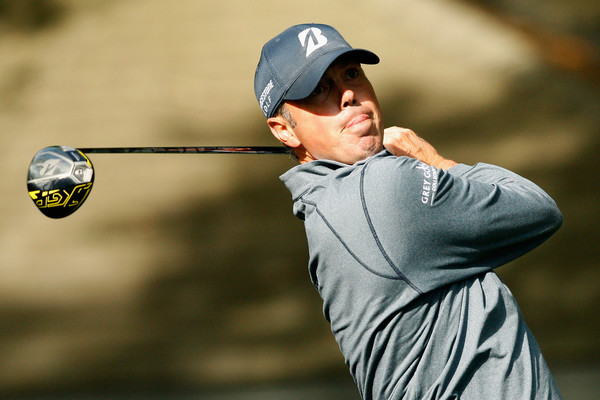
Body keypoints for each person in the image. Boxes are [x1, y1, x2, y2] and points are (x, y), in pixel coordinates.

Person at [254, 23, 563, 400]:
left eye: (351, 73)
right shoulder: (387, 187)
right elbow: (538, 208)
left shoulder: (328, 205)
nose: (348, 94)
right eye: (319, 90)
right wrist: (431, 159)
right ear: (284, 131)